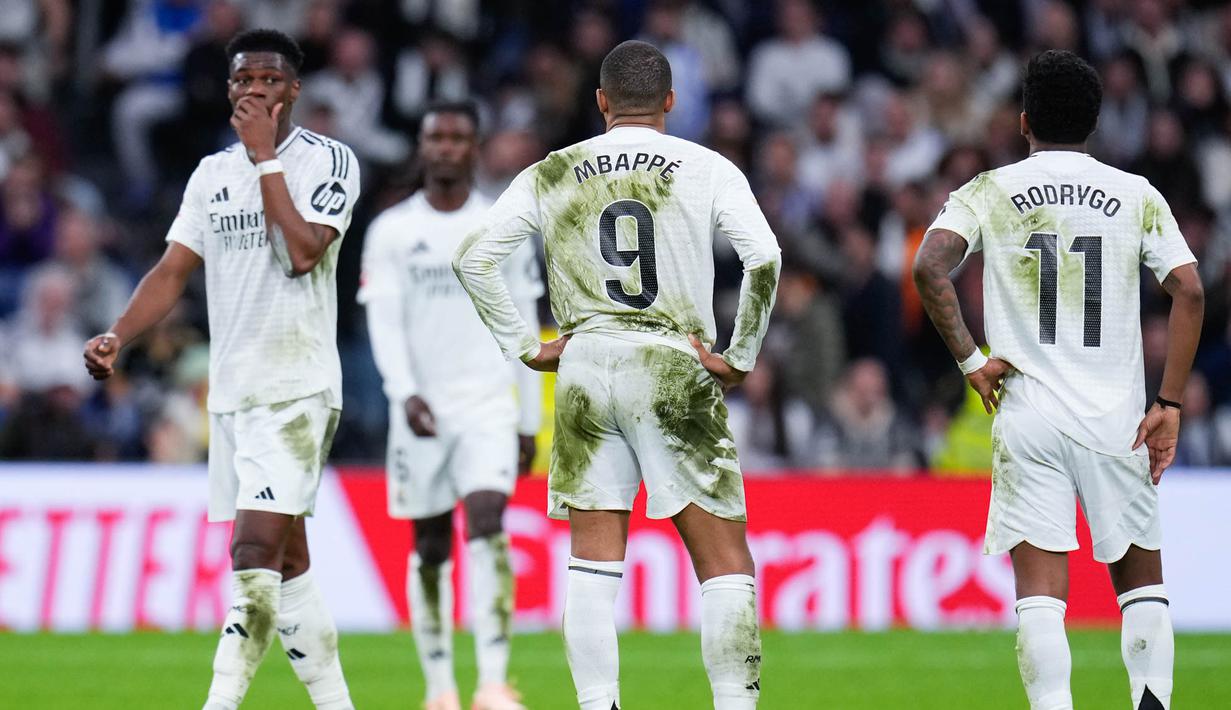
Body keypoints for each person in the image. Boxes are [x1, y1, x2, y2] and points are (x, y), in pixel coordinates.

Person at [454, 40, 780, 710]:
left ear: (601, 101)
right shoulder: (706, 166)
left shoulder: (552, 170)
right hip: (670, 362)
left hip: (585, 365)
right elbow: (765, 258)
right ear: (670, 101)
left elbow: (474, 258)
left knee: (592, 564)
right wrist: (740, 355)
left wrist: (527, 346)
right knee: (724, 563)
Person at [913, 50, 1203, 710]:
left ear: (1023, 121)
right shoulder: (1135, 194)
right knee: (1140, 588)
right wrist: (1169, 403)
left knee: (1041, 598)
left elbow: (929, 266)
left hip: (1028, 414)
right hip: (1118, 419)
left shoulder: (988, 189)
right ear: (1095, 123)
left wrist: (970, 361)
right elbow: (1188, 290)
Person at [82, 29, 360, 710]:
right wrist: (119, 335)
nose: (254, 91)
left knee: (253, 554)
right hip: (234, 393)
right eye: (243, 80)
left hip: (296, 388)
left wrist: (265, 160)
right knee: (289, 564)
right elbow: (172, 270)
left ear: (294, 89)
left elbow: (303, 253)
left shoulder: (330, 161)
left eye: (270, 79)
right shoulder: (211, 174)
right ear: (230, 88)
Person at [358, 101, 542, 710]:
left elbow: (524, 323)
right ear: (422, 146)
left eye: (458, 138)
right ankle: (440, 688)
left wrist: (529, 419)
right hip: (421, 411)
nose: (446, 147)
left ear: (475, 147)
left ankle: (493, 682)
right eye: (436, 137)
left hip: (487, 405)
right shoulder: (391, 231)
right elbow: (384, 322)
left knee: (488, 523)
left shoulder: (502, 226)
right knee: (431, 548)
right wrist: (404, 392)